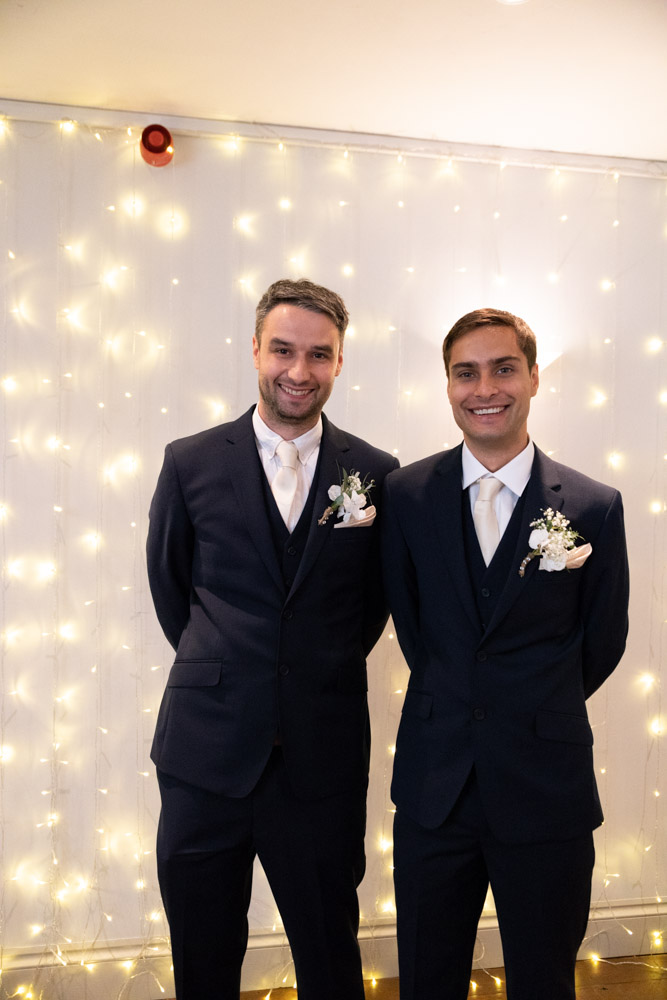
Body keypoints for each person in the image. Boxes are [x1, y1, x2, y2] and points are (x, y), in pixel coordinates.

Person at [147, 278, 398, 999]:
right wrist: (232, 670)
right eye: (282, 350)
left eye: (318, 355)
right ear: (254, 348)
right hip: (205, 757)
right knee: (203, 953)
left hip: (319, 759)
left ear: (340, 362)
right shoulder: (189, 460)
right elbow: (175, 592)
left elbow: (373, 608)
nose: (298, 370)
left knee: (328, 953)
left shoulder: (376, 475)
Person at [381, 308, 629, 1000]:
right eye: (465, 372)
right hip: (435, 787)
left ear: (533, 377)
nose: (483, 387)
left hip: (545, 786)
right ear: (448, 384)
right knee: (426, 979)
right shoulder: (403, 497)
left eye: (502, 368)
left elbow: (601, 640)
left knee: (543, 980)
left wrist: (531, 703)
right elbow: (412, 624)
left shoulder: (593, 505)